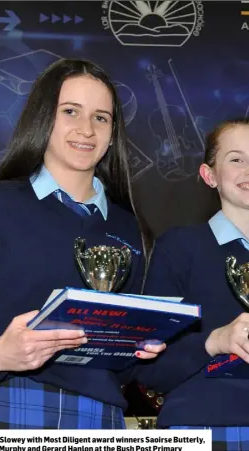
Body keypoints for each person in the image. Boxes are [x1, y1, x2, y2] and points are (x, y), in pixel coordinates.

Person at [0, 58, 165, 429]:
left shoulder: (132, 229)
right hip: (5, 405)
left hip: (103, 416)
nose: (86, 130)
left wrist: (142, 348)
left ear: (113, 133)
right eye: (70, 111)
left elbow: (123, 362)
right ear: (44, 118)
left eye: (100, 118)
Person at [120, 118, 249, 449]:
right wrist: (216, 340)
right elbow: (147, 370)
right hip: (205, 423)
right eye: (236, 159)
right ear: (210, 175)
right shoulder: (180, 248)